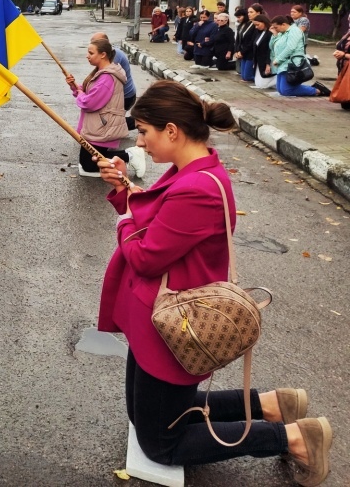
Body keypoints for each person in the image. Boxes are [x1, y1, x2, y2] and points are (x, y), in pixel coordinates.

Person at [95, 81, 333, 484]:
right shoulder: (192, 170)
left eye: (145, 133)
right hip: (154, 319)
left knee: (161, 444)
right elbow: (156, 222)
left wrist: (123, 219)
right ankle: (273, 404)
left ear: (172, 131)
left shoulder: (198, 187)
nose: (141, 142)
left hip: (172, 327)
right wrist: (124, 192)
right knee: (146, 415)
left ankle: (292, 436)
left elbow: (147, 255)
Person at [67, 37, 145, 179]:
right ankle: (129, 156)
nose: (87, 56)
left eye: (91, 53)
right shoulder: (102, 73)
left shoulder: (106, 78)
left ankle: (131, 155)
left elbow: (90, 103)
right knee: (86, 164)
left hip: (102, 127)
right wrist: (75, 87)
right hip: (98, 125)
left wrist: (79, 94)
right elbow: (90, 94)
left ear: (103, 54)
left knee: (88, 164)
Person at [270, 16, 328, 97]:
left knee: (286, 90)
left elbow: (290, 47)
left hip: (292, 64)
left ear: (283, 24)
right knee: (280, 90)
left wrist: (278, 59)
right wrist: (274, 35)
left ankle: (316, 90)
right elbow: (271, 46)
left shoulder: (294, 31)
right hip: (283, 64)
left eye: (276, 27)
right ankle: (307, 89)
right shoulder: (282, 33)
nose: (275, 29)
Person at [93, 31, 137, 131]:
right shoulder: (105, 56)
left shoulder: (113, 57)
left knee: (110, 124)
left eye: (96, 42)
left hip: (125, 96)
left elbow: (106, 81)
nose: (92, 45)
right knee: (108, 122)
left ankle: (139, 121)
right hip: (120, 95)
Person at [328, 13, 350, 110]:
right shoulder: (348, 33)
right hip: (343, 68)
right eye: (349, 19)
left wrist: (344, 55)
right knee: (344, 103)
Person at [250, 15, 276, 89]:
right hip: (259, 60)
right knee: (258, 84)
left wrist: (268, 64)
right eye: (255, 25)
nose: (256, 27)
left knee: (263, 85)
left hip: (267, 59)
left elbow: (269, 49)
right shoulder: (258, 32)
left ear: (264, 22)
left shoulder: (270, 33)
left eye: (258, 25)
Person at [234, 7, 257, 81]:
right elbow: (238, 39)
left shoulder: (253, 25)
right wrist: (237, 50)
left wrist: (242, 51)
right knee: (243, 76)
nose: (238, 19)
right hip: (242, 52)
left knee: (247, 76)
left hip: (249, 52)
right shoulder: (241, 25)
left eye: (240, 17)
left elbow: (251, 41)